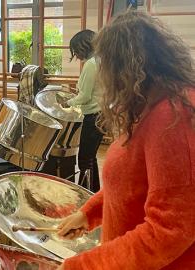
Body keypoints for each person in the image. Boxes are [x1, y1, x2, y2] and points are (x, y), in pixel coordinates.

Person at [57, 11, 195, 270]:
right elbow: (129, 184)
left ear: (125, 68)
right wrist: (88, 214)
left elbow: (170, 230)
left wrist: (83, 265)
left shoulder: (175, 115)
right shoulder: (148, 108)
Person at [64, 29, 103, 192]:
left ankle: (85, 195)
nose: (76, 56)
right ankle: (92, 193)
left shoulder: (91, 64)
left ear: (83, 46)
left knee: (85, 160)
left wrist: (68, 102)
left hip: (93, 116)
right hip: (101, 115)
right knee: (91, 158)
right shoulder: (100, 61)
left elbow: (85, 96)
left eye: (76, 51)